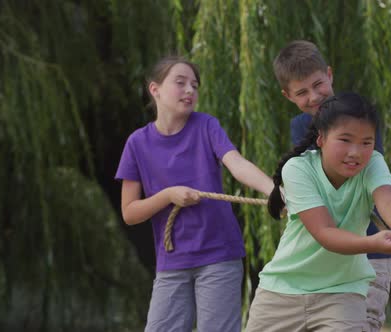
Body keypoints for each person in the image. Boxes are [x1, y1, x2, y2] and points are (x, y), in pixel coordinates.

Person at [115, 55, 274, 332]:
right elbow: (130, 213)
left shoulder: (206, 126)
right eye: (181, 83)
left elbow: (236, 164)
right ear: (155, 89)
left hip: (219, 255)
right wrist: (168, 195)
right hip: (172, 262)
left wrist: (275, 191)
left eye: (195, 85)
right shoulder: (137, 144)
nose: (190, 90)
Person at [245, 92, 391, 332]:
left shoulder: (373, 164)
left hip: (343, 292)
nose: (355, 152)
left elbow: (388, 197)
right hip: (282, 290)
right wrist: (373, 243)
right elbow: (325, 232)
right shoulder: (298, 169)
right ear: (321, 139)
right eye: (345, 140)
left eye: (366, 142)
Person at [273, 40, 391, 330]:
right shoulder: (299, 127)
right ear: (288, 95)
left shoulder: (359, 117)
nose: (314, 96)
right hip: (328, 253)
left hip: (374, 243)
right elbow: (309, 178)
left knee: (365, 320)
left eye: (318, 84)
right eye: (301, 92)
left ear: (329, 75)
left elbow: (369, 177)